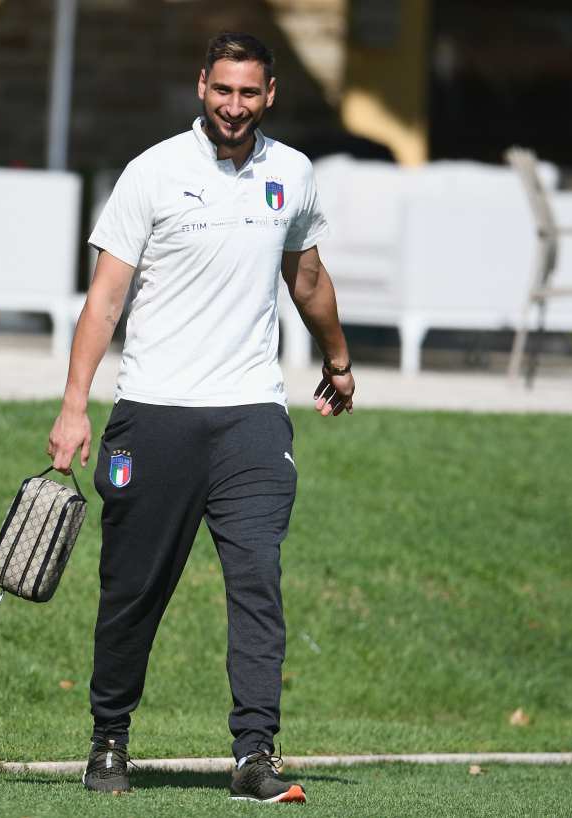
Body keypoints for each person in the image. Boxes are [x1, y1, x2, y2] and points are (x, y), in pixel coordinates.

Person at [46, 32, 355, 804]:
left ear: (271, 94)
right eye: (224, 91)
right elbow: (105, 300)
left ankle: (255, 752)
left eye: (249, 93)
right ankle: (109, 737)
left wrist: (339, 359)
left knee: (257, 579)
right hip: (155, 414)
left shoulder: (291, 173)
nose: (235, 106)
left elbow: (307, 277)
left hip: (252, 414)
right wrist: (75, 404)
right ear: (201, 87)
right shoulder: (152, 172)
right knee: (133, 588)